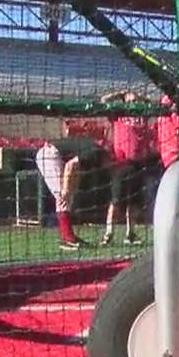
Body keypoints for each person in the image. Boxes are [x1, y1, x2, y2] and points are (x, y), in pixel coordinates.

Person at [100, 91, 157, 246]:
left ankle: (130, 234)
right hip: (122, 163)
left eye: (135, 100)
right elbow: (103, 99)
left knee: (135, 202)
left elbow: (153, 102)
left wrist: (141, 97)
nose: (133, 103)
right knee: (116, 199)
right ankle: (108, 233)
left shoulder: (143, 115)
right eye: (130, 101)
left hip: (139, 163)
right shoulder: (118, 114)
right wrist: (119, 94)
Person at [35, 136, 107, 249]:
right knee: (62, 196)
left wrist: (70, 188)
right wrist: (65, 190)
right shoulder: (94, 153)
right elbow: (70, 166)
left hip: (55, 155)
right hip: (49, 155)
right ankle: (67, 239)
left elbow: (75, 170)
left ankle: (68, 236)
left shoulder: (95, 152)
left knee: (68, 196)